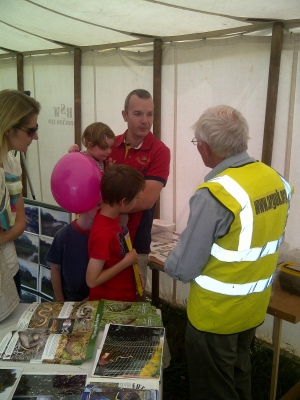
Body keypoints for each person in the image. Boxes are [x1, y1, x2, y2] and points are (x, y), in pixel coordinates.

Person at [164, 105, 293, 400]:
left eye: (197, 144)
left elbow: (184, 268)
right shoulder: (275, 179)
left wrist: (171, 258)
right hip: (253, 305)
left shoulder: (215, 195)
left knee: (214, 388)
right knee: (238, 371)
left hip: (216, 315)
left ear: (206, 148)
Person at [110, 89, 170, 288]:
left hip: (135, 242)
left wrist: (104, 207)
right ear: (124, 115)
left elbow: (146, 200)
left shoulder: (160, 151)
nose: (145, 120)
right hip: (102, 236)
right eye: (138, 114)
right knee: (101, 294)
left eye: (150, 114)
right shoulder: (109, 145)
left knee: (133, 302)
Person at [0, 89, 40, 320]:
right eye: (31, 130)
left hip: (10, 267)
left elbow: (20, 223)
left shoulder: (12, 165)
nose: (35, 136)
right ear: (8, 129)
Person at [86, 164, 145, 302]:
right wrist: (127, 262)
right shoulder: (104, 234)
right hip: (111, 305)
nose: (137, 201)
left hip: (121, 298)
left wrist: (135, 271)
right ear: (124, 202)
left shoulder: (111, 218)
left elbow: (115, 257)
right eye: (136, 198)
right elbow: (92, 280)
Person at [45, 204, 100, 302]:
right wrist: (60, 302)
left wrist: (91, 297)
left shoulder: (100, 235)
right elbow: (55, 269)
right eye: (99, 204)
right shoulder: (63, 235)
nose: (102, 208)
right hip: (66, 299)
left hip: (91, 300)